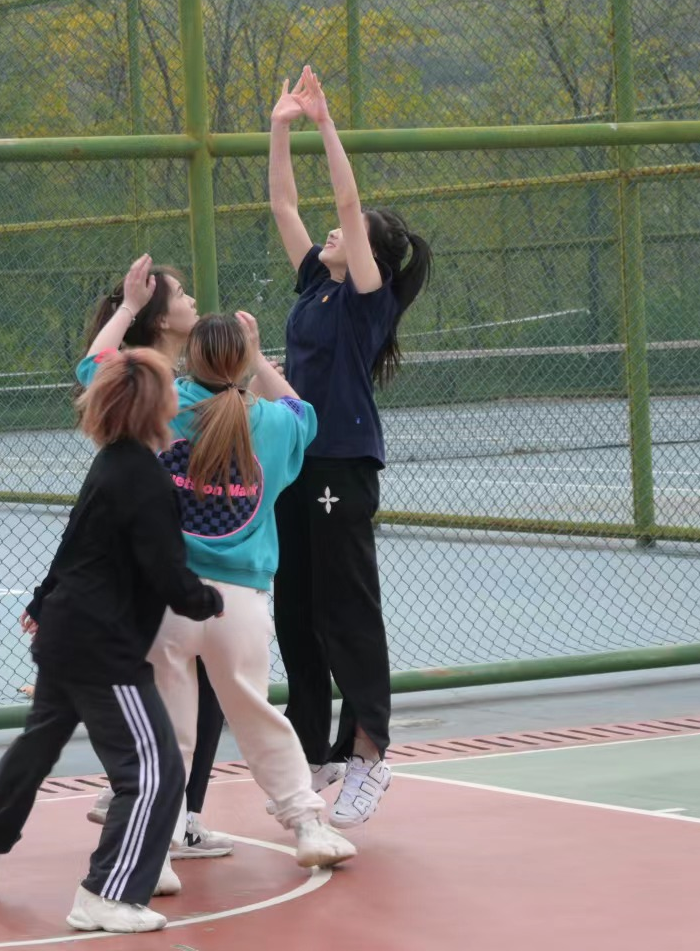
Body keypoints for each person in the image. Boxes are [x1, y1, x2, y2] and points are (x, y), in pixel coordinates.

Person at [80, 266, 356, 871]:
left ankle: (158, 846)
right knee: (258, 717)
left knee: (169, 733)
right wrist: (255, 357)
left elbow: (94, 368)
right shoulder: (275, 424)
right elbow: (302, 409)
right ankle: (306, 825)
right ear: (241, 362)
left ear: (191, 362)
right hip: (241, 602)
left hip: (166, 601)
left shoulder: (163, 405)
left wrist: (127, 309)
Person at [0, 348, 224, 934]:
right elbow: (166, 572)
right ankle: (106, 893)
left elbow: (75, 543)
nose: (178, 391)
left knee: (39, 742)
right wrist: (208, 600)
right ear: (155, 403)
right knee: (155, 772)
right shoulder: (145, 477)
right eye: (170, 384)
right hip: (104, 648)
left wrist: (41, 600)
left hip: (65, 633)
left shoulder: (111, 463)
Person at [267, 67, 433, 829]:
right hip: (296, 463)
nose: (336, 232)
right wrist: (280, 127)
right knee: (296, 608)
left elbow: (343, 203)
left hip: (343, 465)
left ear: (372, 253)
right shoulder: (315, 285)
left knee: (346, 608)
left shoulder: (368, 298)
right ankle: (313, 749)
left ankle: (369, 751)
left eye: (351, 231)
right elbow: (284, 204)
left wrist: (325, 123)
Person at [77, 267, 233, 861]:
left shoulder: (169, 383)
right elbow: (92, 368)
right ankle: (157, 804)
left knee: (180, 685)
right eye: (183, 294)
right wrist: (130, 304)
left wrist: (128, 306)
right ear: (163, 318)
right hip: (176, 560)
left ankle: (156, 801)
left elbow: (92, 365)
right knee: (189, 687)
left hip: (169, 556)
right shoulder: (158, 384)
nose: (194, 299)